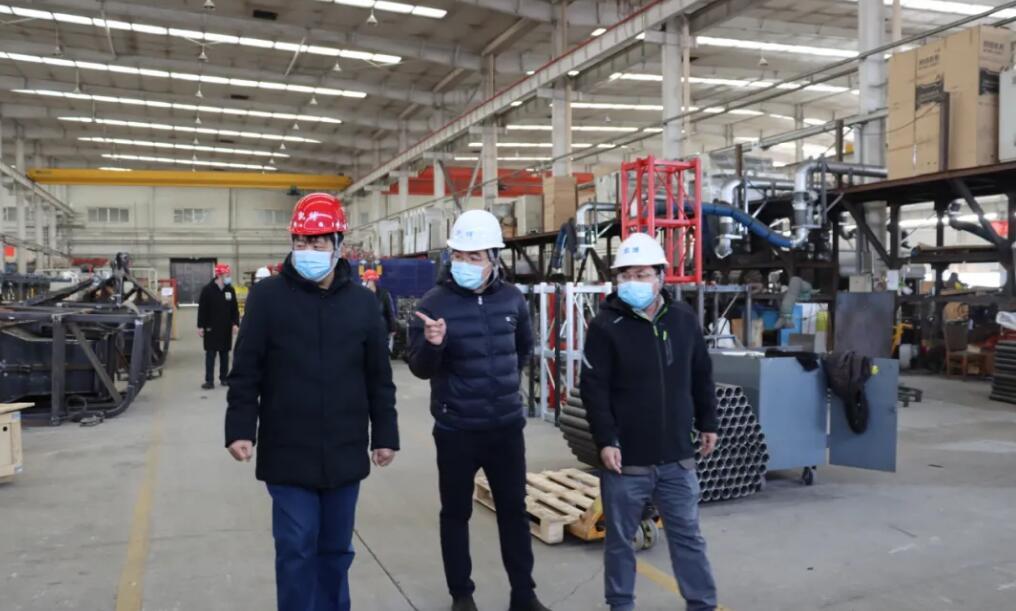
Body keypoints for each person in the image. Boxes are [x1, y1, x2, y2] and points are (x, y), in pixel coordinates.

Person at [224, 192, 399, 611]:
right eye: (300, 241)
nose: (307, 250)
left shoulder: (363, 303)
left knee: (336, 551)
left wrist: (385, 435)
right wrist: (240, 428)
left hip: (344, 448)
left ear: (338, 244)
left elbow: (379, 377)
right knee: (297, 547)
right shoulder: (267, 297)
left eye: (317, 242)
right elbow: (246, 370)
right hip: (288, 449)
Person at [407, 210, 550, 611]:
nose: (466, 263)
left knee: (513, 512)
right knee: (456, 513)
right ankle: (462, 595)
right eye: (459, 255)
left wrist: (501, 390)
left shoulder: (512, 299)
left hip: (505, 428)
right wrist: (433, 344)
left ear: (493, 258)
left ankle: (524, 594)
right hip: (456, 428)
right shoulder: (433, 304)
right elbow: (419, 368)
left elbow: (523, 350)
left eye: (475, 256)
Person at [580, 232, 720, 611]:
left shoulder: (683, 319)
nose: (632, 282)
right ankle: (621, 605)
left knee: (688, 537)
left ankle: (702, 604)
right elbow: (594, 389)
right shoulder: (606, 326)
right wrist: (606, 440)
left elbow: (701, 374)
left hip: (677, 458)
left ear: (660, 276)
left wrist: (708, 421)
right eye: (625, 275)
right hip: (625, 460)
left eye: (641, 274)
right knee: (619, 541)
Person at [197, 263, 239, 390]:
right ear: (219, 274)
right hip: (211, 328)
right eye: (227, 274)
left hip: (225, 328)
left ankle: (224, 378)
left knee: (225, 354)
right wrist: (200, 326)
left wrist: (235, 323)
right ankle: (209, 381)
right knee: (210, 354)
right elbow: (202, 309)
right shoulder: (207, 290)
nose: (229, 276)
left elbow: (234, 309)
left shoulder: (230, 290)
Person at [362, 269, 397, 351]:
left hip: (381, 330)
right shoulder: (361, 294)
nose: (364, 282)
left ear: (372, 281)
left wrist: (392, 328)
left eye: (366, 280)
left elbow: (389, 312)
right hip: (366, 330)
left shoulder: (383, 294)